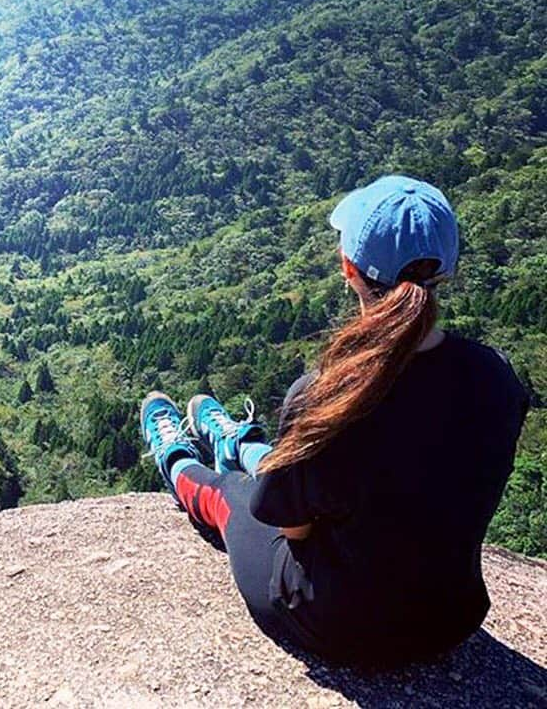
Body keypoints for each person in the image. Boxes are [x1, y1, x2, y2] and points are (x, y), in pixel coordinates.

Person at [139, 174, 529, 667]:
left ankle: (175, 456)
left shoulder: (330, 396)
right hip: (451, 619)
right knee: (296, 475)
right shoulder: (495, 378)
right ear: (445, 273)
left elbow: (294, 530)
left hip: (338, 623)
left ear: (349, 269)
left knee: (232, 496)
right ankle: (245, 444)